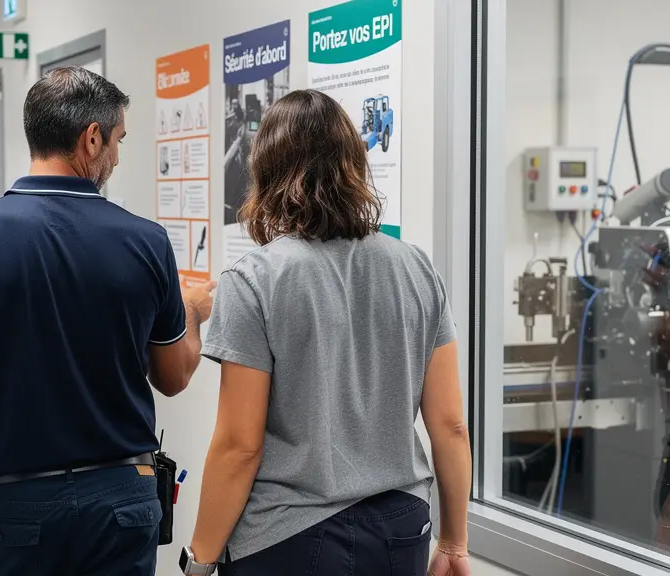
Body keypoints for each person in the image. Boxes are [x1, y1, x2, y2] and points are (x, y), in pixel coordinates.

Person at [0, 66, 214, 576]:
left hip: (11, 509)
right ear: (91, 139)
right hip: (121, 505)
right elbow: (172, 377)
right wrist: (192, 312)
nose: (117, 155)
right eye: (118, 140)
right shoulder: (146, 242)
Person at [180, 89, 472, 576]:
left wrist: (199, 560)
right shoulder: (416, 268)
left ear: (268, 170)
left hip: (291, 536)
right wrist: (455, 542)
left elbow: (239, 446)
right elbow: (451, 425)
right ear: (355, 165)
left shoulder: (254, 278)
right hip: (400, 528)